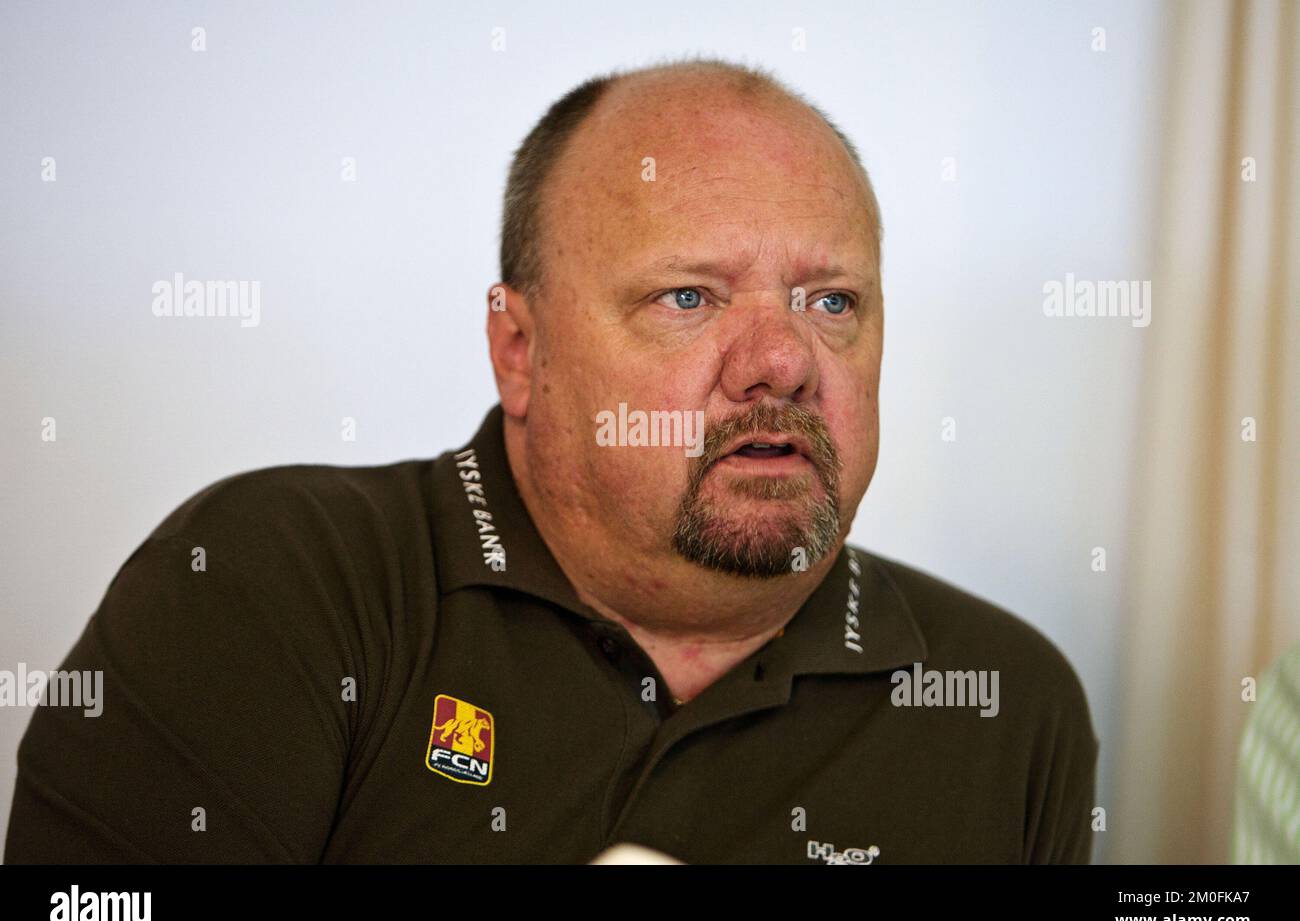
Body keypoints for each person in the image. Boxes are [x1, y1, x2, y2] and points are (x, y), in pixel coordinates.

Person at [4, 57, 1098, 864]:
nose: (781, 362)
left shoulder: (1005, 701)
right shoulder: (268, 587)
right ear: (518, 350)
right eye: (689, 297)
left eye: (832, 302)